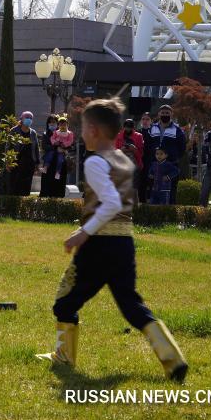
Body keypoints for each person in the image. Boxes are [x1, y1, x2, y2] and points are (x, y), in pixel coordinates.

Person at [37, 98, 187, 382]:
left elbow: (110, 203)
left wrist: (84, 232)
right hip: (124, 243)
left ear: (93, 130)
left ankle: (64, 356)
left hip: (98, 244)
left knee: (65, 302)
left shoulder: (95, 162)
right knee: (131, 305)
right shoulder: (123, 160)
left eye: (82, 128)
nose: (80, 134)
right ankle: (173, 358)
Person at [146, 105, 186, 202]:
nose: (165, 115)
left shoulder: (177, 130)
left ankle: (170, 213)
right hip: (155, 165)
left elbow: (182, 147)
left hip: (170, 165)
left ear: (171, 114)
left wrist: (174, 158)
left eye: (167, 113)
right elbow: (148, 144)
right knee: (154, 192)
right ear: (159, 114)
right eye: (163, 113)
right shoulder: (152, 128)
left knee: (170, 193)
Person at [7, 111, 40, 196]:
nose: (28, 120)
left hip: (29, 164)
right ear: (22, 119)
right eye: (27, 117)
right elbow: (8, 147)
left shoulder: (33, 133)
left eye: (30, 118)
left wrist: (37, 163)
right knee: (14, 186)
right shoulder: (14, 130)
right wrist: (8, 162)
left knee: (26, 186)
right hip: (16, 162)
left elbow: (36, 148)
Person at [115, 118, 144, 202]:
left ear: (133, 127)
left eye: (130, 127)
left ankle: (135, 209)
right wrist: (121, 150)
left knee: (134, 189)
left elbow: (141, 154)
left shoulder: (138, 136)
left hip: (134, 165)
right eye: (127, 127)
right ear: (123, 127)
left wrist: (134, 149)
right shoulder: (118, 136)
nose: (128, 129)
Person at [38, 115, 64, 198]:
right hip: (48, 163)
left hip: (59, 163)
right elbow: (44, 146)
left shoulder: (63, 133)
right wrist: (55, 147)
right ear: (48, 123)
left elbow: (66, 145)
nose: (52, 124)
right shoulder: (45, 134)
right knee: (47, 185)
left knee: (58, 186)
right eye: (50, 122)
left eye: (54, 122)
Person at [137, 112, 154, 203]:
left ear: (151, 121)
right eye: (143, 119)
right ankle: (142, 204)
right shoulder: (137, 133)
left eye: (147, 119)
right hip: (140, 162)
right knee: (141, 185)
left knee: (151, 184)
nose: (145, 121)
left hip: (151, 162)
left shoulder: (154, 133)